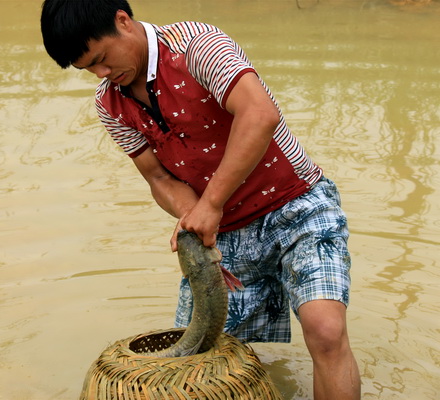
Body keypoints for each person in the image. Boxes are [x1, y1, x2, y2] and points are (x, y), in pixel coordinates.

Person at [41, 1, 361, 398]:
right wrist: (193, 215)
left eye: (103, 58)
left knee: (326, 332)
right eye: (89, 68)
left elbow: (259, 114)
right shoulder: (110, 103)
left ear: (123, 21)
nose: (102, 74)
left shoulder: (197, 44)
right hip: (222, 232)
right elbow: (158, 176)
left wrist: (209, 205)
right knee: (198, 362)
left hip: (295, 204)